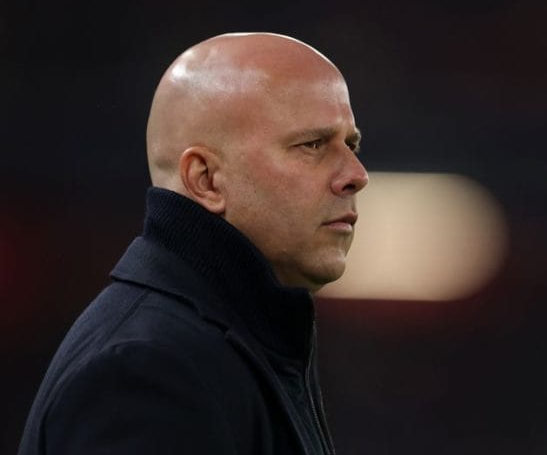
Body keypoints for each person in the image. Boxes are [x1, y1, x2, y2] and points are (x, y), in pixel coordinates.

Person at [18, 32, 368, 455]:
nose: (356, 174)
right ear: (206, 179)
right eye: (312, 145)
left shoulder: (238, 339)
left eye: (351, 144)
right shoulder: (146, 371)